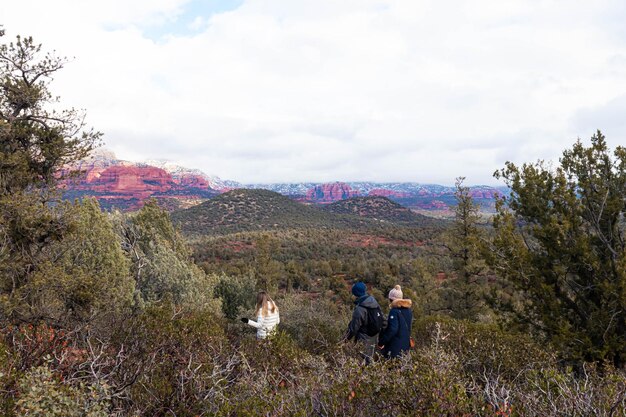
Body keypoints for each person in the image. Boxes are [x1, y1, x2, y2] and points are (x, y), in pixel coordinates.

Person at [345, 281, 384, 364]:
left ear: (355, 293)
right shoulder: (375, 303)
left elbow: (353, 328)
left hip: (363, 339)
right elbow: (382, 319)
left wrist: (344, 340)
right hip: (375, 337)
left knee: (363, 362)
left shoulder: (360, 309)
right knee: (371, 361)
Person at [379, 285, 412, 359]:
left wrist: (382, 341)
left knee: (392, 367)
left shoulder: (394, 311)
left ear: (391, 299)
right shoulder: (408, 310)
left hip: (395, 347)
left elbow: (393, 329)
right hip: (406, 345)